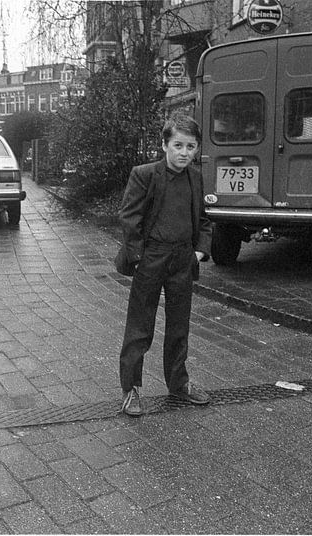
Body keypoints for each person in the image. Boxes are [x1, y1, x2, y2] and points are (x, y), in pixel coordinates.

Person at [117, 115, 213, 417]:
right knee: (140, 326)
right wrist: (137, 258)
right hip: (152, 258)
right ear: (164, 145)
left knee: (179, 326)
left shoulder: (195, 178)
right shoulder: (144, 175)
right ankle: (130, 389)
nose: (184, 153)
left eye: (190, 146)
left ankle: (178, 383)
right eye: (178, 145)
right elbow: (129, 217)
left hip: (183, 259)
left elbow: (204, 219)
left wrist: (199, 252)